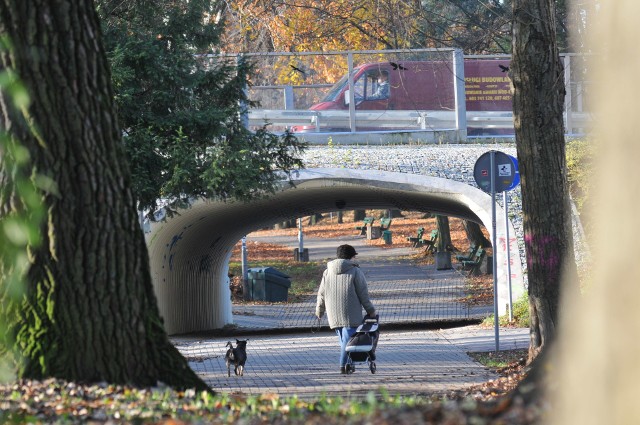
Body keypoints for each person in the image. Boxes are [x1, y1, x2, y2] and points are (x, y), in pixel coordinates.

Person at [315, 244, 376, 374]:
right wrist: (371, 310)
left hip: (333, 314)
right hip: (351, 313)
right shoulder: (355, 271)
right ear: (351, 257)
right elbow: (363, 294)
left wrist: (319, 310)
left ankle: (349, 365)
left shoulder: (327, 271)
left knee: (344, 341)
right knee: (348, 343)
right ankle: (343, 366)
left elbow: (321, 293)